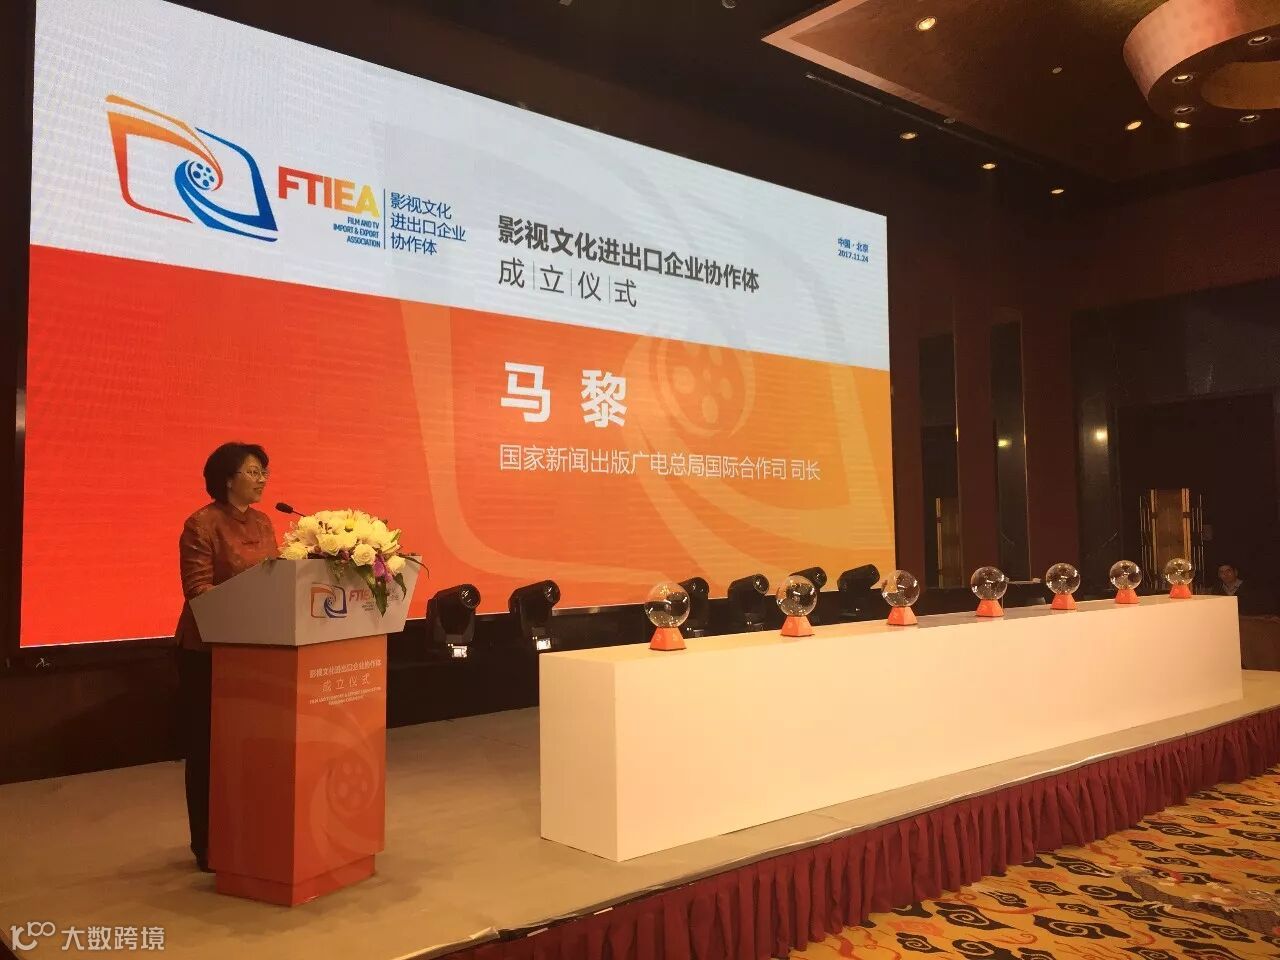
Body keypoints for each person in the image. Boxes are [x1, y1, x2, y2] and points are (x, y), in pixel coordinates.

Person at [174, 442, 278, 871]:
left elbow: (276, 579)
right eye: (253, 471)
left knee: (249, 749)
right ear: (227, 478)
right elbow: (198, 591)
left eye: (264, 471)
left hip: (256, 650)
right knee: (209, 748)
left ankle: (247, 834)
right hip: (208, 651)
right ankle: (208, 845)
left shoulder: (264, 521)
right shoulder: (202, 523)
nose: (262, 479)